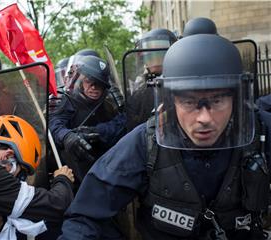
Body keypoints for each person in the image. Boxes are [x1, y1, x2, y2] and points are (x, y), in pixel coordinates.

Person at [59, 34, 270, 240]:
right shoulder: (146, 141)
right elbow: (87, 214)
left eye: (217, 101)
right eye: (189, 102)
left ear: (234, 98)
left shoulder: (260, 131)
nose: (204, 118)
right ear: (172, 101)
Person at [49, 55, 126, 189]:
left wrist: (96, 132)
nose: (95, 87)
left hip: (106, 166)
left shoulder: (108, 100)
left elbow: (123, 122)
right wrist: (68, 137)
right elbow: (54, 124)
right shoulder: (65, 99)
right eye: (89, 81)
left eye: (100, 84)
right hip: (73, 170)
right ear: (78, 80)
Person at [126, 28, 177, 131]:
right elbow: (128, 123)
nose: (155, 61)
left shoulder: (182, 87)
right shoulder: (140, 93)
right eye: (149, 56)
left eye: (160, 55)